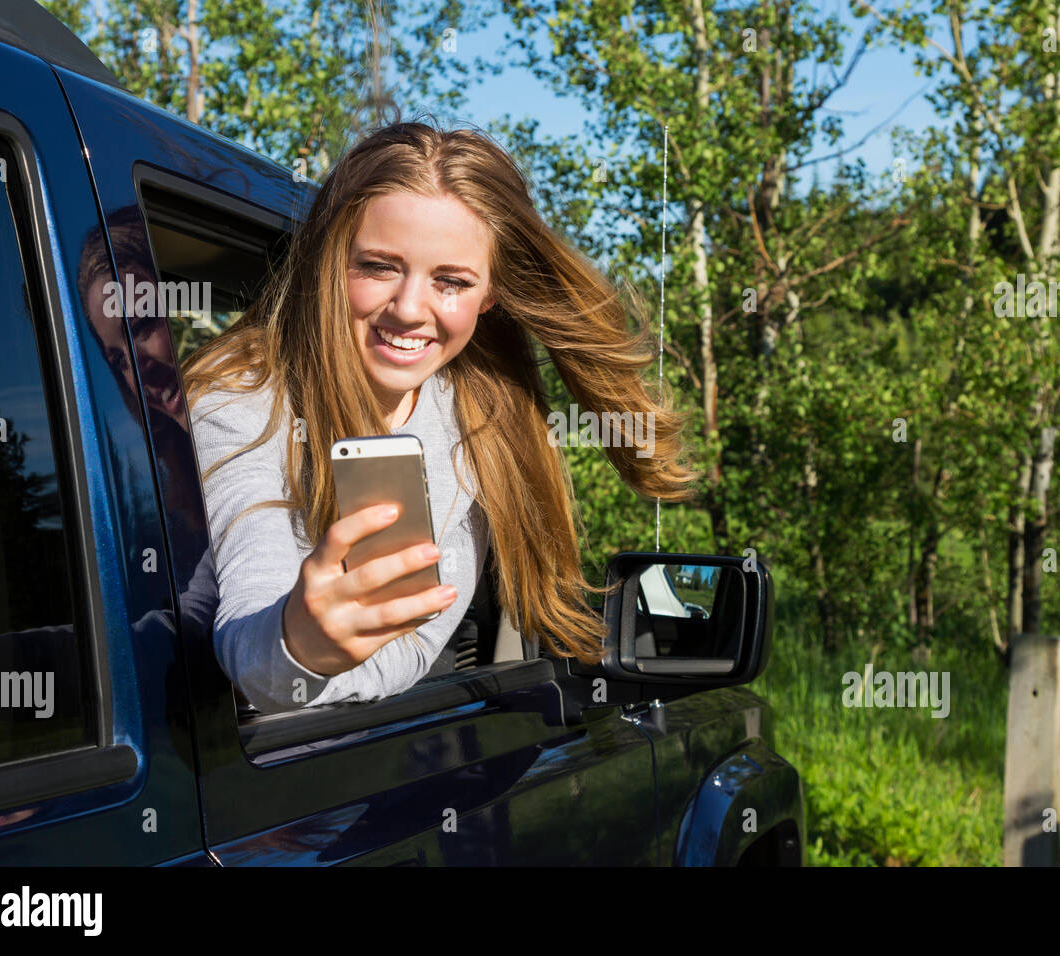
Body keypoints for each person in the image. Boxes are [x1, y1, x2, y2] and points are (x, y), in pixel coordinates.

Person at [183, 119, 697, 713]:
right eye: (378, 266)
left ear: (491, 295)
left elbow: (416, 643)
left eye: (450, 281)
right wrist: (298, 643)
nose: (407, 309)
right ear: (330, 260)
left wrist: (328, 656)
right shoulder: (244, 400)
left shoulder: (479, 423)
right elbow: (251, 643)